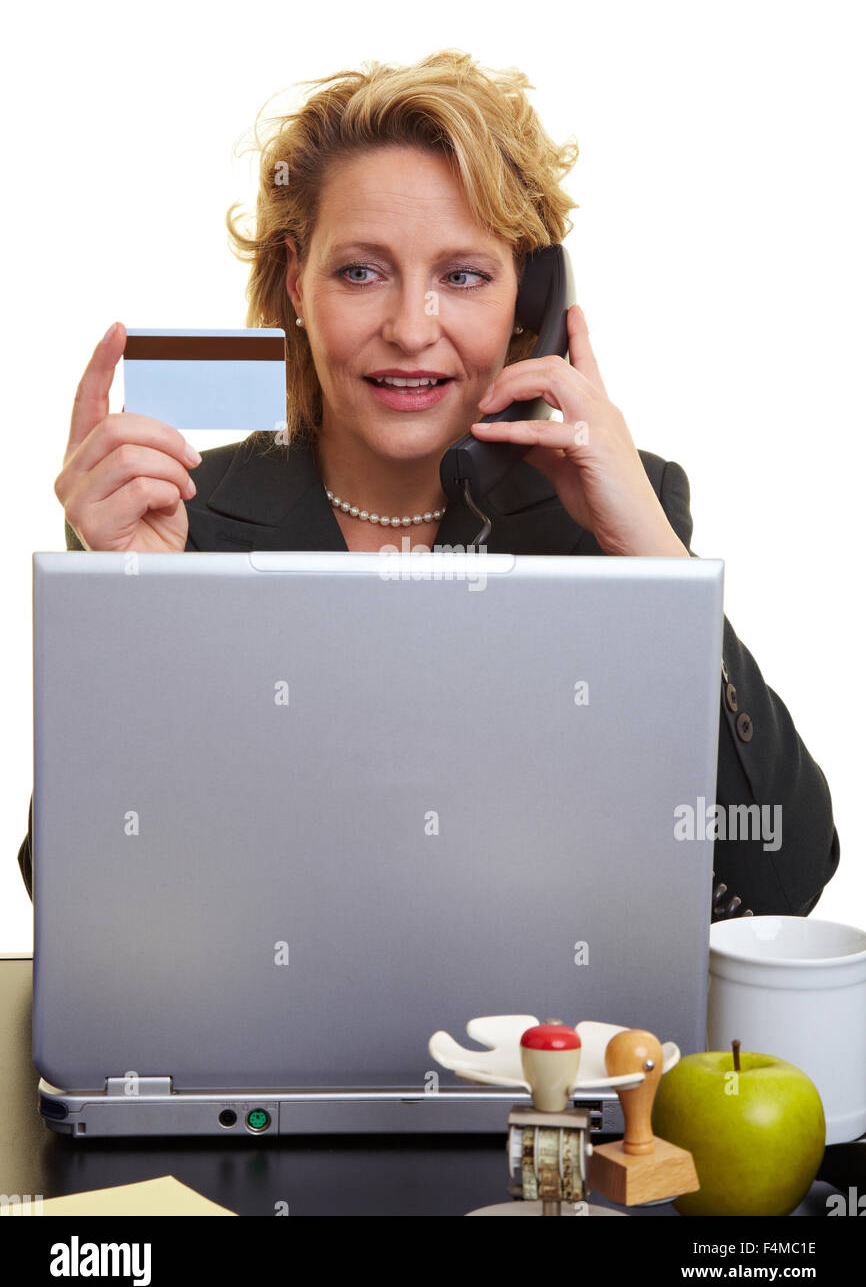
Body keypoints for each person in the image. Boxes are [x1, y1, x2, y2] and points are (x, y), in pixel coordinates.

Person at [18, 50, 839, 918]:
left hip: (534, 1048)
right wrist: (123, 609)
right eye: (361, 272)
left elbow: (784, 881)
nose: (412, 328)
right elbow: (81, 898)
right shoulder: (179, 518)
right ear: (298, 283)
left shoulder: (612, 518)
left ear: (534, 299)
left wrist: (660, 565)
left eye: (464, 276)